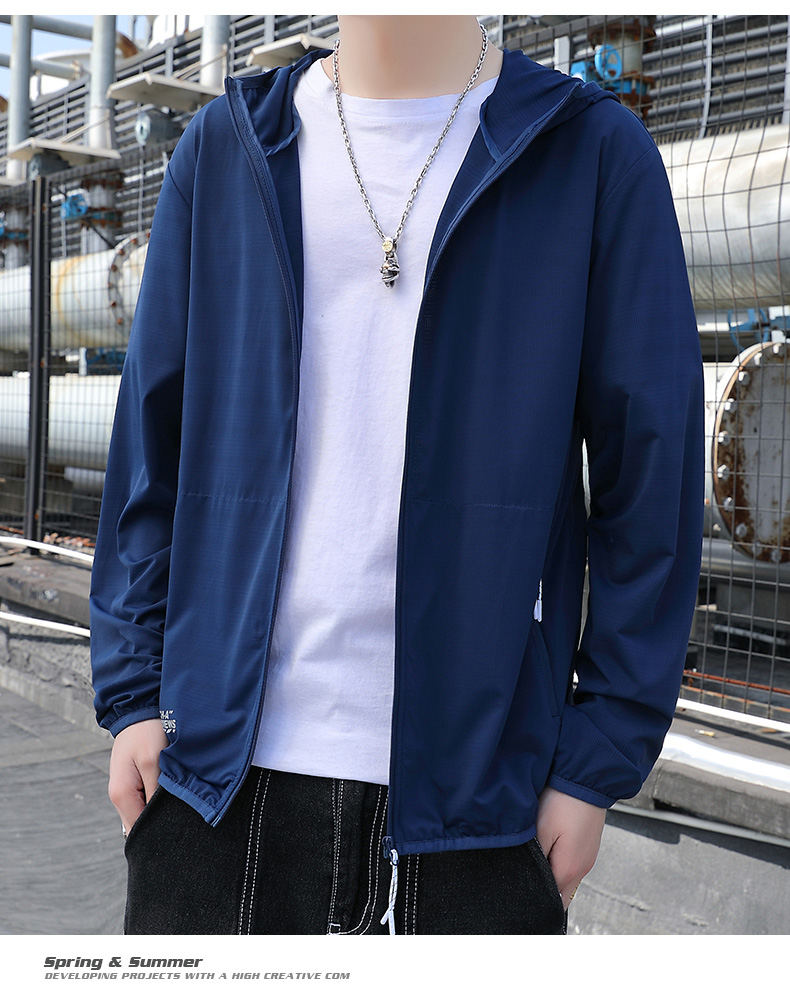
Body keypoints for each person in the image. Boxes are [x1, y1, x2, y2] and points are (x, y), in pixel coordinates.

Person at [90, 14, 704, 936]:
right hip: (212, 778)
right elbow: (151, 443)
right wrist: (137, 694)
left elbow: (651, 483)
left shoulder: (590, 155)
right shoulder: (226, 149)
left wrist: (595, 761)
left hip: (482, 804)